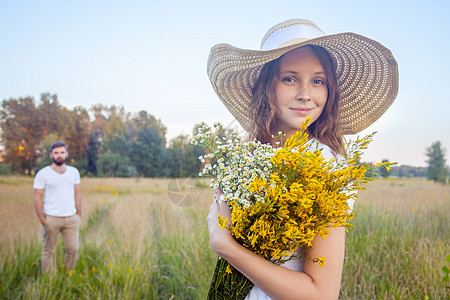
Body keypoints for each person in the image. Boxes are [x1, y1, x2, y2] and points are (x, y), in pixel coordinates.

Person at [206, 19, 398, 299]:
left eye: (318, 81)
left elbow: (321, 294)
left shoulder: (325, 167)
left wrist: (226, 247)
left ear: (329, 90)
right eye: (289, 78)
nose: (305, 94)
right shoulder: (247, 152)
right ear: (266, 86)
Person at [33, 141, 82, 273]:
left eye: (62, 152)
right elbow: (37, 197)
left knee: (73, 250)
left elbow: (77, 193)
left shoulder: (74, 172)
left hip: (71, 218)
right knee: (49, 251)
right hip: (52, 218)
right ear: (51, 155)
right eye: (56, 153)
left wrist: (78, 214)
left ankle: (68, 276)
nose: (59, 155)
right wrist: (42, 219)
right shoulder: (43, 174)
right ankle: (49, 280)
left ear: (66, 154)